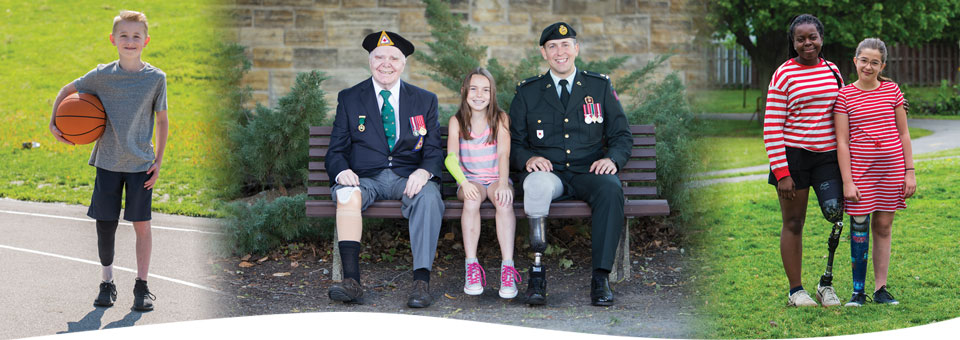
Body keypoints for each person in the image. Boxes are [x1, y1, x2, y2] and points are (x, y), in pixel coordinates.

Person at [48, 10, 168, 311]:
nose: (130, 41)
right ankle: (107, 282)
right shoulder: (102, 75)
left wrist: (160, 160)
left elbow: (163, 121)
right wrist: (54, 123)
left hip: (141, 164)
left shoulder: (156, 79)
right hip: (107, 162)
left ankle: (141, 286)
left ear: (146, 41)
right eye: (124, 36)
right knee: (105, 225)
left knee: (142, 225)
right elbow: (66, 91)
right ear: (113, 39)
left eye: (136, 36)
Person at [509, 22, 632, 306]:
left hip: (588, 171)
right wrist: (528, 158)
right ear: (544, 53)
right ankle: (537, 274)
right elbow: (514, 142)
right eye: (552, 46)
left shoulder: (598, 87)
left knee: (611, 189)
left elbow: (621, 135)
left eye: (566, 45)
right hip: (549, 173)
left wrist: (612, 159)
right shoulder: (528, 92)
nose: (559, 51)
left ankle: (600, 278)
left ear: (576, 49)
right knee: (536, 185)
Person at [325, 30, 444, 308]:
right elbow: (336, 150)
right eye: (379, 57)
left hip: (408, 177)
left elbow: (434, 149)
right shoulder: (350, 97)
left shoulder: (424, 100)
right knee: (346, 195)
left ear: (403, 63)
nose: (386, 63)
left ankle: (421, 283)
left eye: (393, 57)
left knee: (429, 197)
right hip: (366, 178)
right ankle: (351, 282)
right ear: (370, 61)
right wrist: (341, 169)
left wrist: (424, 172)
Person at [763, 14, 846, 307]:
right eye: (801, 39)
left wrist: (890, 103)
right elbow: (772, 126)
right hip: (794, 158)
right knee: (794, 223)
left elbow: (847, 110)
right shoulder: (783, 74)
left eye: (812, 37)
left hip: (827, 158)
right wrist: (782, 171)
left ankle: (827, 284)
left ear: (821, 38)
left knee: (836, 214)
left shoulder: (833, 70)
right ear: (793, 42)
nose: (807, 43)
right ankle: (796, 290)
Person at [834, 37, 915, 307]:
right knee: (859, 227)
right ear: (855, 61)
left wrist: (909, 172)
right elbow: (842, 142)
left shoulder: (892, 91)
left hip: (891, 171)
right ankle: (858, 292)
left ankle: (881, 288)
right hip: (860, 173)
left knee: (883, 226)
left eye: (875, 62)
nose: (868, 66)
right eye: (864, 60)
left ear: (883, 65)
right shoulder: (844, 95)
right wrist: (847, 181)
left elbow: (904, 134)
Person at [444, 68, 519, 299]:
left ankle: (508, 267)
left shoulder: (500, 118)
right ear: (464, 91)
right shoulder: (457, 121)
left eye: (485, 90)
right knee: (472, 199)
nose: (479, 95)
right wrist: (463, 183)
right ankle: (471, 266)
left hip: (497, 178)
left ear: (492, 93)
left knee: (503, 201)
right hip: (470, 180)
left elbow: (503, 155)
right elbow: (451, 158)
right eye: (474, 89)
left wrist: (504, 184)